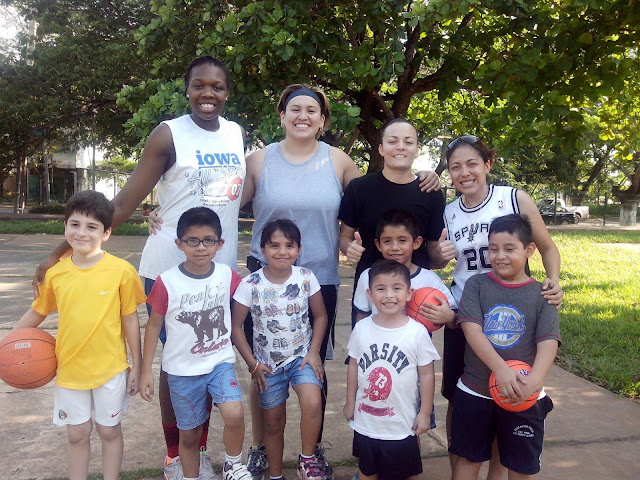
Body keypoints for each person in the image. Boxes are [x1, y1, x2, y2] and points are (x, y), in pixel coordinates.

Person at [32, 55, 246, 480]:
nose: (208, 94)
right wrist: (58, 252)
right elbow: (122, 204)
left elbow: (242, 194)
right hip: (170, 268)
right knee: (181, 364)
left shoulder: (237, 134)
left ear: (226, 92)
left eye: (217, 87)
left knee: (208, 361)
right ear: (187, 89)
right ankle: (177, 455)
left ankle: (197, 452)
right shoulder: (169, 135)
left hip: (218, 270)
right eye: (199, 85)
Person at [436, 135, 563, 479]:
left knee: (506, 401)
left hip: (512, 314)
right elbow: (438, 258)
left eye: (472, 163)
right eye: (455, 167)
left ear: (487, 165)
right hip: (468, 314)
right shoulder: (449, 211)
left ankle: (496, 471)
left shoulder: (513, 198)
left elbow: (546, 246)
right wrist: (438, 255)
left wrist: (553, 281)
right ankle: (461, 466)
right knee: (463, 399)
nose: (465, 172)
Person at [15, 190, 145, 480]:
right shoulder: (57, 273)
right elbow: (38, 311)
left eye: (91, 227)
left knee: (109, 431)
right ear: (65, 227)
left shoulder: (121, 271)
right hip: (69, 368)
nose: (81, 232)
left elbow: (130, 319)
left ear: (106, 233)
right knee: (77, 433)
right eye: (74, 224)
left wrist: (137, 365)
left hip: (110, 368)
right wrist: (7, 341)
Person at [140, 207, 251, 480]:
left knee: (234, 413)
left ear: (219, 244)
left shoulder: (227, 276)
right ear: (179, 244)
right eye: (192, 240)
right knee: (188, 435)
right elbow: (154, 326)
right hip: (181, 372)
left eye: (208, 240)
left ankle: (233, 465)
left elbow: (253, 293)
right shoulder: (167, 282)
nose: (201, 247)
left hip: (219, 362)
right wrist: (145, 371)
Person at [449, 214, 560, 480]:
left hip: (523, 395)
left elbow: (548, 341)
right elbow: (471, 329)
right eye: (494, 248)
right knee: (466, 460)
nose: (500, 256)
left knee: (520, 466)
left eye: (510, 249)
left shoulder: (542, 293)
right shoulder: (476, 285)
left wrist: (534, 382)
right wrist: (500, 369)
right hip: (475, 391)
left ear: (529, 250)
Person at [231, 219, 330, 480]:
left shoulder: (306, 277)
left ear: (299, 249)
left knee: (312, 402)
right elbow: (236, 327)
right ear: (262, 249)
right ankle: (275, 475)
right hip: (267, 367)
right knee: (274, 424)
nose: (282, 251)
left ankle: (307, 459)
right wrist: (252, 364)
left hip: (301, 359)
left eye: (289, 245)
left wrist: (314, 353)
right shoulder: (250, 284)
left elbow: (320, 316)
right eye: (274, 245)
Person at [339, 118, 448, 328]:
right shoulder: (359, 188)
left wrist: (444, 255)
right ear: (381, 148)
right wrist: (348, 249)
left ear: (417, 149)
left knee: (414, 355)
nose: (400, 147)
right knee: (365, 351)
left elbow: (435, 254)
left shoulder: (430, 192)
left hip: (414, 295)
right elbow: (345, 237)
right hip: (371, 290)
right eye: (392, 141)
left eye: (408, 142)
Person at [343, 259, 440, 480]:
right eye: (381, 289)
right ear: (369, 294)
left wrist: (424, 413)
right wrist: (350, 402)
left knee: (406, 475)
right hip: (366, 422)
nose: (388, 295)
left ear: (408, 293)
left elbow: (426, 375)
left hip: (401, 424)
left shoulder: (417, 333)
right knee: (367, 472)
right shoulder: (361, 328)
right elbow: (354, 366)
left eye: (396, 288)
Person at [352, 208, 457, 325]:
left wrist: (449, 317)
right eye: (387, 241)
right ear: (378, 245)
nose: (395, 247)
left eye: (402, 240)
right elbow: (361, 317)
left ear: (416, 243)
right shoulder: (368, 276)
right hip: (377, 342)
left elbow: (453, 319)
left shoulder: (429, 279)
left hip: (418, 343)